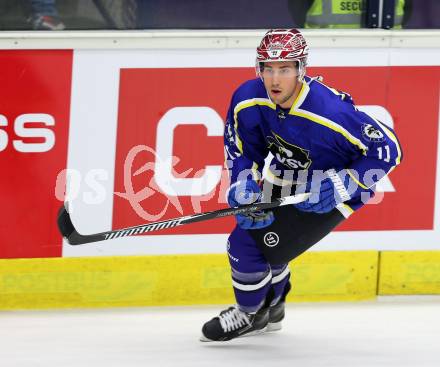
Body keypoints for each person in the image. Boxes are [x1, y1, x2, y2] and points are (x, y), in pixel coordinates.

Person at [200, 28, 402, 342]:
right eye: (268, 68)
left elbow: (389, 149)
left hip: (327, 189)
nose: (275, 79)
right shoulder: (247, 99)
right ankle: (273, 308)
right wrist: (242, 185)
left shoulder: (330, 112)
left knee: (244, 246)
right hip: (283, 178)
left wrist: (345, 183)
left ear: (301, 69)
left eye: (285, 69)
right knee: (269, 244)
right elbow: (241, 150)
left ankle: (249, 314)